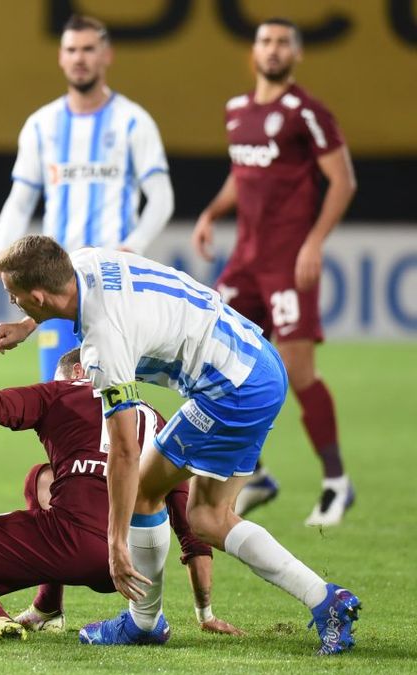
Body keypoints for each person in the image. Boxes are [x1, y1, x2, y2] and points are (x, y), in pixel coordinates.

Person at [0, 235, 361, 655]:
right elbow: (58, 296)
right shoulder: (83, 261)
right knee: (207, 517)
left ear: (37, 294)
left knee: (147, 489)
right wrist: (27, 326)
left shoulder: (105, 344)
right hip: (259, 361)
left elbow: (125, 452)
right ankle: (326, 599)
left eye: (14, 296)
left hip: (229, 391)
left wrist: (115, 543)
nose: (12, 301)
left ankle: (144, 622)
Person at [0, 348, 243, 641]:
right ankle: (48, 607)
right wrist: (206, 613)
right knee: (41, 477)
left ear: (80, 372)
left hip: (71, 544)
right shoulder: (158, 421)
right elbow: (189, 529)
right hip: (131, 569)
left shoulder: (65, 392)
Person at [192, 17, 358, 527]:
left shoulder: (306, 112)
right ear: (254, 52)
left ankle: (336, 482)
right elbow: (243, 176)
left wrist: (313, 242)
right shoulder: (237, 111)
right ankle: (257, 472)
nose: (273, 50)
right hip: (245, 258)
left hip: (288, 260)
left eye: (284, 42)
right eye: (265, 41)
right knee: (208, 353)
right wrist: (212, 212)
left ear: (296, 54)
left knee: (299, 371)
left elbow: (343, 181)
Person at [0, 14, 174, 382]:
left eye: (89, 49)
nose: (80, 58)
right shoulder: (42, 124)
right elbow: (21, 198)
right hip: (53, 283)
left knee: (111, 405)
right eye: (72, 50)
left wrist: (132, 246)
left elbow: (162, 197)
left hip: (113, 285)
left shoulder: (133, 122)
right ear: (61, 57)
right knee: (57, 406)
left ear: (107, 55)